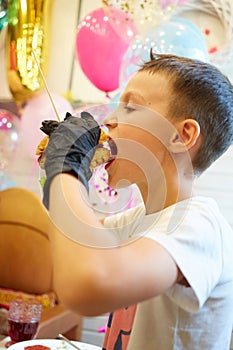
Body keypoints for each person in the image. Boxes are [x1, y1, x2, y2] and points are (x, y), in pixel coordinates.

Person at [42, 53, 233, 350]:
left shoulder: (200, 225)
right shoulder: (133, 221)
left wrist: (66, 168)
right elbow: (64, 253)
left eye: (130, 107)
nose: (108, 120)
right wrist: (62, 169)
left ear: (182, 136)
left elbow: (89, 284)